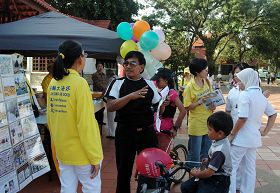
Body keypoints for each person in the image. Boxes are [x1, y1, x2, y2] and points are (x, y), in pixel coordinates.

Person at [47, 40, 103, 193]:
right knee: (91, 188)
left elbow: (51, 119)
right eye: (84, 55)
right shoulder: (80, 83)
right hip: (83, 153)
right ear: (79, 59)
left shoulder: (53, 82)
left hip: (63, 151)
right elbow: (85, 124)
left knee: (67, 189)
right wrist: (95, 157)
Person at [105, 51, 161, 193]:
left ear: (141, 67)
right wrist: (131, 96)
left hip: (147, 133)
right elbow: (110, 106)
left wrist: (163, 105)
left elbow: (157, 105)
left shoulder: (149, 85)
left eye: (132, 63)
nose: (128, 66)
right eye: (126, 63)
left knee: (148, 170)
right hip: (125, 133)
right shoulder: (118, 83)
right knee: (123, 172)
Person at [228, 68, 277, 193]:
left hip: (241, 139)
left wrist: (232, 134)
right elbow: (273, 114)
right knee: (250, 168)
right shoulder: (260, 96)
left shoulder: (245, 95)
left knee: (231, 167)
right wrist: (265, 132)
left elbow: (242, 118)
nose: (238, 84)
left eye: (240, 81)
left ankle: (231, 190)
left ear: (247, 80)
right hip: (254, 139)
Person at [181, 111, 233, 193]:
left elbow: (209, 173)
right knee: (185, 187)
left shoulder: (219, 151)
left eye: (210, 129)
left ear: (220, 133)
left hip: (218, 181)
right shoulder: (220, 139)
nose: (207, 131)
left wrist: (196, 174)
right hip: (213, 175)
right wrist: (208, 160)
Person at [183, 58, 215, 168]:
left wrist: (213, 105)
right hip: (196, 124)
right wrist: (199, 102)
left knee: (206, 153)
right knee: (195, 155)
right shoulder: (189, 87)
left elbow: (210, 97)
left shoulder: (206, 81)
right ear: (197, 72)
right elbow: (187, 106)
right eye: (205, 70)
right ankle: (192, 178)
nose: (207, 71)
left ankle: (202, 176)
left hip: (209, 122)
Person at [151, 68, 186, 150]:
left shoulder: (172, 93)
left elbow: (183, 111)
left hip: (165, 130)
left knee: (163, 155)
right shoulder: (156, 91)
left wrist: (175, 128)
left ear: (166, 80)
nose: (156, 82)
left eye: (158, 80)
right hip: (153, 128)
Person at [92, 61, 109, 132]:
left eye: (101, 66)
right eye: (98, 66)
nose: (100, 67)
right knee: (96, 108)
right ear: (96, 67)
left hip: (103, 93)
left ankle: (101, 121)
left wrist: (106, 89)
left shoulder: (104, 75)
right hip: (97, 94)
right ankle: (96, 122)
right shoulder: (94, 75)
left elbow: (106, 82)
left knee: (102, 107)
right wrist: (106, 89)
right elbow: (98, 83)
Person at [106, 69, 118, 139]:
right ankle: (114, 132)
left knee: (110, 117)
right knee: (114, 117)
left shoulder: (111, 79)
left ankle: (111, 133)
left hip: (111, 100)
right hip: (116, 100)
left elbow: (106, 89)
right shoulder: (117, 78)